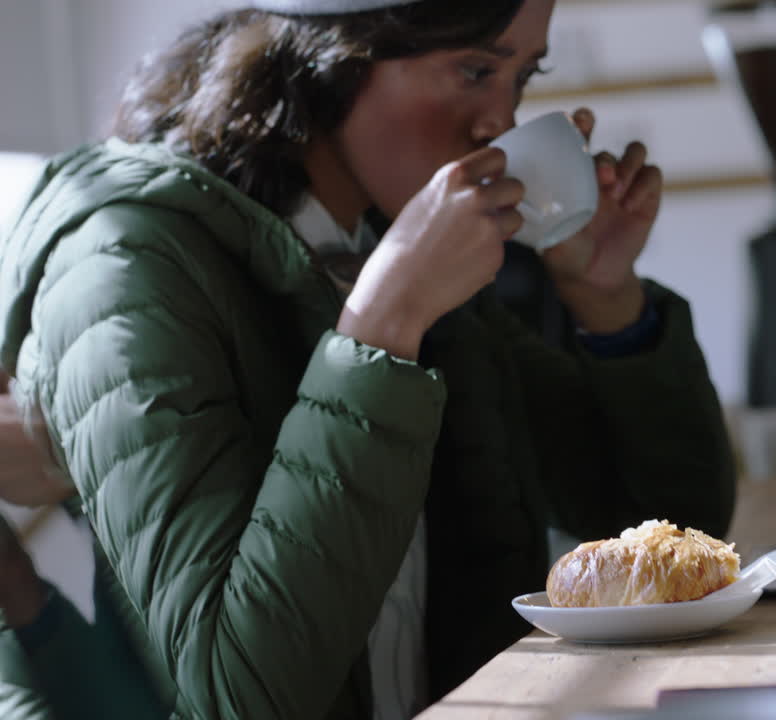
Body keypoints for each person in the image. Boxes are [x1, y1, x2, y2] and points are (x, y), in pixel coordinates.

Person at [0, 0, 736, 717]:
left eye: (523, 77)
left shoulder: (377, 246)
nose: (500, 122)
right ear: (335, 56)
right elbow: (243, 693)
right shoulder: (127, 268)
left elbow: (668, 541)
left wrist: (605, 297)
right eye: (476, 70)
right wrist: (383, 328)